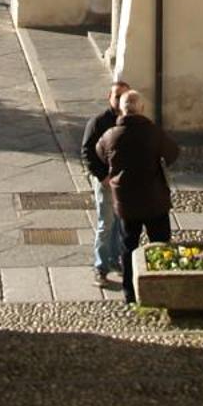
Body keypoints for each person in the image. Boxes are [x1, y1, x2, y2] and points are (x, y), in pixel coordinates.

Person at [94, 89, 179, 304]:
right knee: (160, 244)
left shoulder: (111, 135)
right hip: (154, 198)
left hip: (126, 201)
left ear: (122, 109)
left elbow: (100, 153)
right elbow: (172, 153)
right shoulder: (153, 132)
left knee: (128, 247)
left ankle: (130, 292)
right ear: (141, 108)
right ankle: (161, 287)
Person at [81, 80, 127, 285]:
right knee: (106, 223)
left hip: (123, 181)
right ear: (109, 97)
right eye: (116, 96)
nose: (119, 100)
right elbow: (87, 151)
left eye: (123, 96)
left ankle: (116, 260)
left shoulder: (129, 121)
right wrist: (102, 176)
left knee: (120, 223)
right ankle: (100, 267)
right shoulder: (99, 122)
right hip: (107, 180)